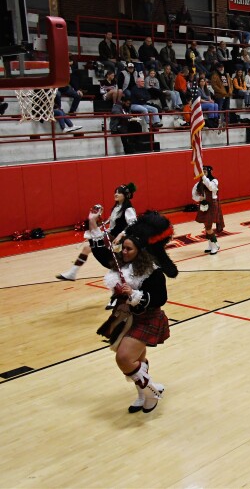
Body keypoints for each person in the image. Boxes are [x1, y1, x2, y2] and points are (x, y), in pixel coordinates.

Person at [99, 211, 177, 414]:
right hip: (127, 318)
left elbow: (160, 299)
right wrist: (92, 227)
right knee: (137, 359)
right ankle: (144, 394)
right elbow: (102, 256)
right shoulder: (123, 266)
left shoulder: (153, 272)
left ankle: (151, 391)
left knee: (124, 358)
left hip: (148, 318)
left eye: (128, 249)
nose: (123, 252)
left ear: (140, 250)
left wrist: (134, 294)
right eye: (123, 248)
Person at [57, 183, 137, 282]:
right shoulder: (116, 208)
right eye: (115, 192)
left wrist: (121, 235)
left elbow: (133, 224)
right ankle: (72, 273)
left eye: (119, 192)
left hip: (120, 239)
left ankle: (72, 273)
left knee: (93, 250)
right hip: (112, 236)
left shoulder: (128, 209)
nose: (116, 194)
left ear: (125, 195)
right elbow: (113, 226)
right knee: (87, 248)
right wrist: (104, 230)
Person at [192, 166, 224, 254]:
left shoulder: (214, 181)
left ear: (209, 172)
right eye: (202, 172)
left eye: (205, 171)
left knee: (209, 227)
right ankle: (211, 245)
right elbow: (194, 195)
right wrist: (199, 198)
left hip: (212, 205)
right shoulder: (198, 184)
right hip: (203, 206)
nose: (203, 173)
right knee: (206, 227)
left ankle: (215, 245)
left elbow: (210, 187)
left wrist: (203, 177)